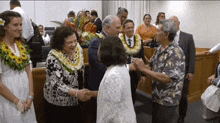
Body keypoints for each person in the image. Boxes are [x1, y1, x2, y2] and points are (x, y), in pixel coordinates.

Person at [133, 19, 185, 123]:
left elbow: (166, 78)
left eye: (158, 31)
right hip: (156, 97)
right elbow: (151, 66)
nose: (155, 34)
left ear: (166, 34)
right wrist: (135, 67)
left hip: (168, 100)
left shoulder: (175, 52)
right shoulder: (160, 48)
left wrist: (142, 69)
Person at [43, 26, 91, 123]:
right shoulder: (53, 57)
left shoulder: (78, 49)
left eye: (75, 40)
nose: (74, 44)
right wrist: (76, 93)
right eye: (70, 42)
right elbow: (55, 83)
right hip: (59, 104)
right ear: (60, 43)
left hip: (77, 101)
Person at [0, 10, 37, 123]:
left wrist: (30, 96)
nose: (20, 28)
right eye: (15, 25)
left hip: (26, 96)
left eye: (21, 24)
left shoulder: (22, 46)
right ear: (5, 27)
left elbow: (28, 71)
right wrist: (16, 101)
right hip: (9, 98)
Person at [88, 15, 121, 122]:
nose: (120, 31)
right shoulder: (96, 43)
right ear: (107, 28)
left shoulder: (116, 41)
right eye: (117, 28)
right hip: (99, 87)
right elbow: (100, 67)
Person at [96, 36, 136, 123]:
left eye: (99, 49)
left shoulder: (114, 75)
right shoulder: (119, 68)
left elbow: (110, 111)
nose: (97, 52)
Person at [170, 15, 196, 123]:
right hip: (170, 73)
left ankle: (181, 116)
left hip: (184, 73)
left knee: (183, 96)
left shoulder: (188, 37)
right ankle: (171, 114)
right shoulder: (167, 37)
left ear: (179, 23)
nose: (173, 25)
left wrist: (191, 71)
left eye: (174, 22)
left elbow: (192, 55)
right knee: (171, 94)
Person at [119, 19, 146, 104]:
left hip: (134, 73)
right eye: (128, 28)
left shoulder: (139, 40)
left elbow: (142, 57)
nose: (130, 30)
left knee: (133, 94)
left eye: (132, 27)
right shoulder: (119, 40)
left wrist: (143, 74)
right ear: (124, 29)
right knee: (122, 95)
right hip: (122, 72)